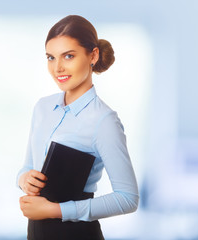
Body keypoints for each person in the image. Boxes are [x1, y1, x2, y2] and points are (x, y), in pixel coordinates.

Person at [17, 15, 139, 240]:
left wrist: (55, 210)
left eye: (69, 56)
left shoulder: (104, 121)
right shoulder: (43, 108)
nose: (58, 68)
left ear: (93, 55)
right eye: (51, 58)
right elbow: (26, 166)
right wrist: (24, 179)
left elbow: (128, 198)